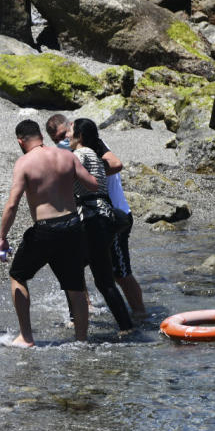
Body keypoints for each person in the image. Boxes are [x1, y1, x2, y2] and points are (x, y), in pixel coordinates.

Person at [0, 120, 99, 347]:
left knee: (18, 275)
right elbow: (93, 184)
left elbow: (12, 204)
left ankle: (26, 337)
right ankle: (81, 340)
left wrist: (3, 237)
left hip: (45, 229)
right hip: (73, 225)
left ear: (20, 141)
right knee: (75, 285)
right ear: (41, 135)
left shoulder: (24, 163)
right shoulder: (67, 155)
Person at [45, 114, 146, 319]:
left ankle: (140, 313)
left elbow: (116, 164)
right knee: (73, 264)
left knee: (120, 273)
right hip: (88, 218)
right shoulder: (68, 152)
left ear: (73, 129)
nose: (63, 141)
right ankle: (86, 308)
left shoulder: (93, 144)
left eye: (65, 135)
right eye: (57, 140)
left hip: (115, 215)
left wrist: (87, 171)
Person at [69, 118, 134, 332]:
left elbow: (67, 180)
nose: (67, 136)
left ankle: (79, 322)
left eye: (71, 132)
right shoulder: (94, 155)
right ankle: (126, 325)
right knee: (99, 278)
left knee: (88, 276)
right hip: (105, 217)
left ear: (79, 136)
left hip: (93, 219)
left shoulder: (79, 155)